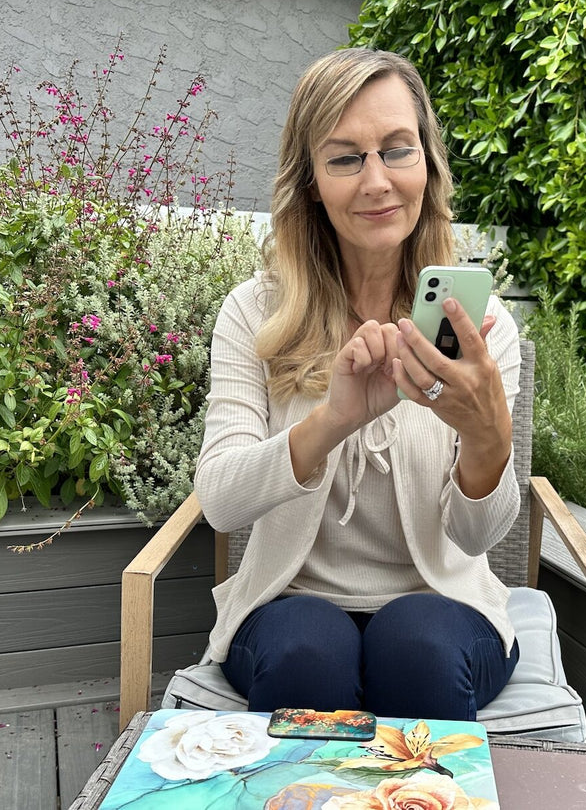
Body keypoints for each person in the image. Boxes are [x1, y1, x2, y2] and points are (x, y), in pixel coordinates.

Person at [194, 47, 522, 721]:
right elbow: (222, 502)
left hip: (447, 606)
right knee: (307, 651)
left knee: (417, 647)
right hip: (289, 603)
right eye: (346, 158)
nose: (377, 182)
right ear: (310, 180)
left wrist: (486, 439)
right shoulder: (254, 313)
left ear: (428, 165)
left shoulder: (481, 327)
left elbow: (478, 536)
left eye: (397, 150)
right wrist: (334, 417)